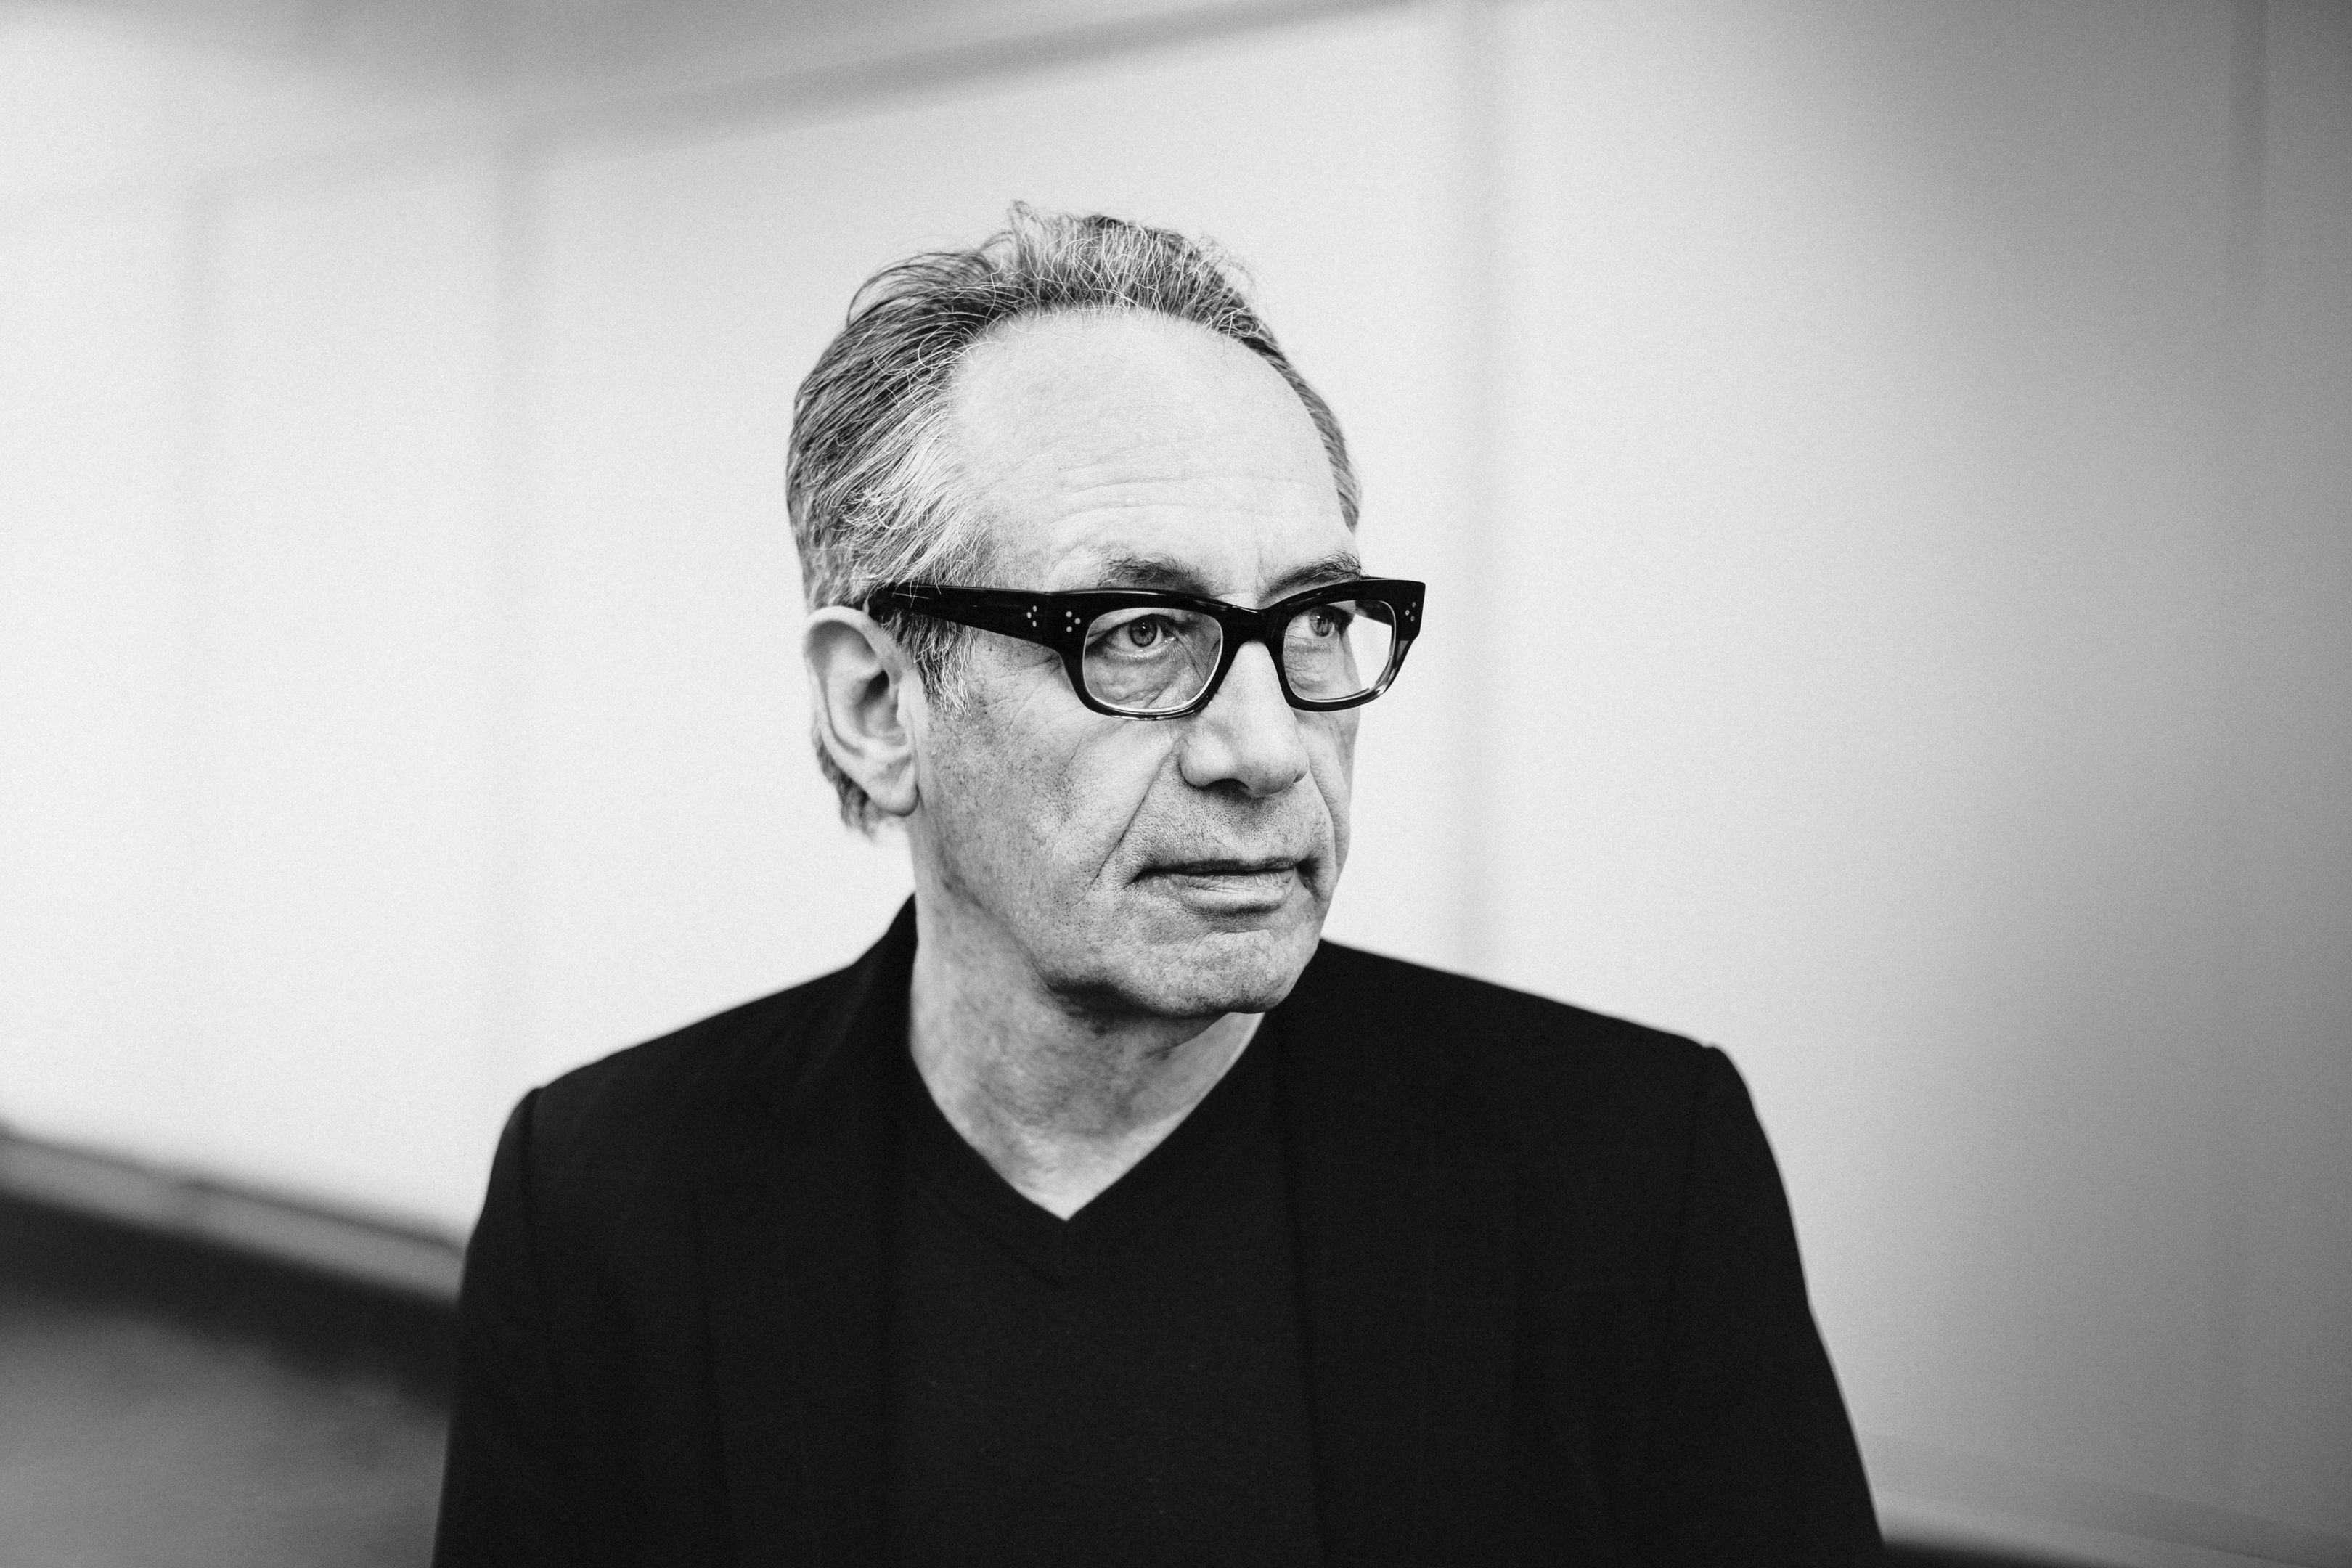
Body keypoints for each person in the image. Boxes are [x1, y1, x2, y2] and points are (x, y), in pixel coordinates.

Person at [433, 205, 1883, 1567]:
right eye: (1135, 631)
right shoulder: (606, 1197)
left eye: (1316, 620)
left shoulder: (1632, 1175)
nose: (1268, 748)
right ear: (878, 708)